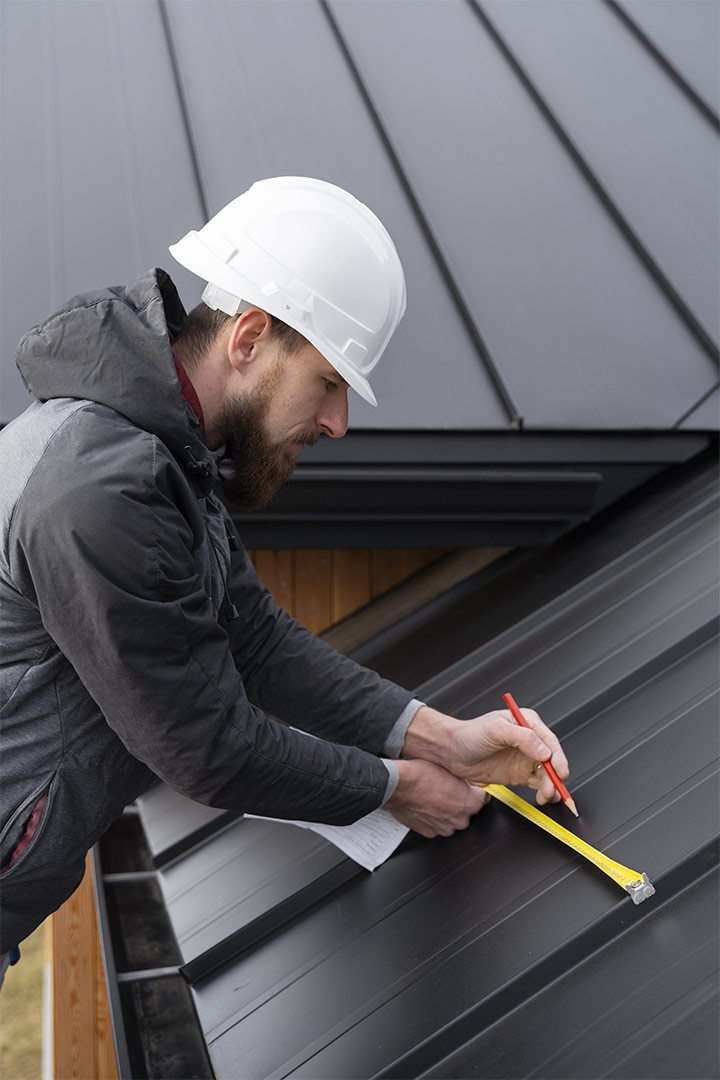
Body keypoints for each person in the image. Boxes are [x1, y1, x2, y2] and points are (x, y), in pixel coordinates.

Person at [0, 177, 569, 972]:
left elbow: (256, 641)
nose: (337, 423)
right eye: (329, 383)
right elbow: (205, 747)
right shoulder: (100, 488)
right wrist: (393, 787)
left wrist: (446, 739)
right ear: (250, 338)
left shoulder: (163, 451)